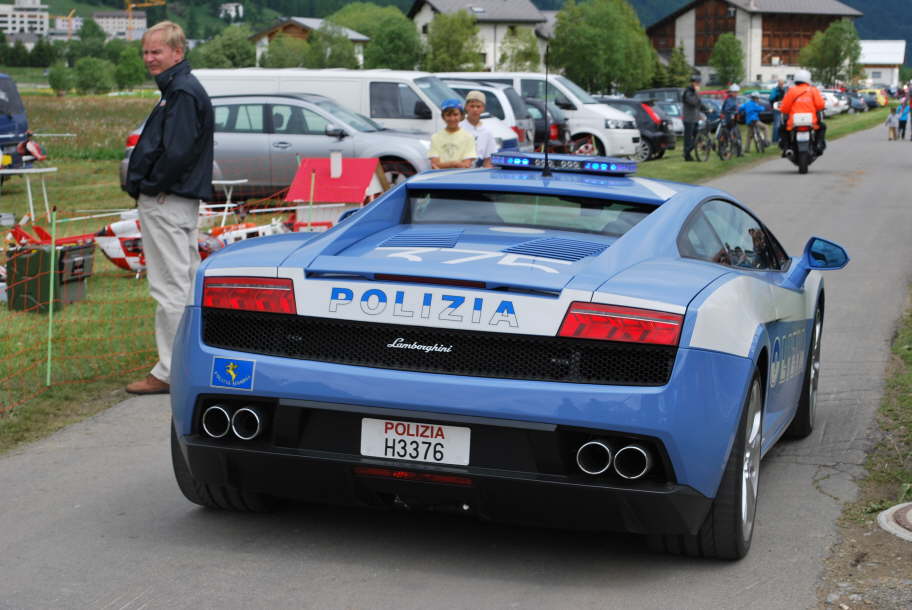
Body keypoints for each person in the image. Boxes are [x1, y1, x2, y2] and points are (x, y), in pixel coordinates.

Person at [122, 21, 214, 395]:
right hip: (175, 200)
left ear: (178, 52)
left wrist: (148, 186)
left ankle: (169, 371)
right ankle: (191, 362)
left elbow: (175, 153)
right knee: (187, 283)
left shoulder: (182, 93)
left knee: (169, 288)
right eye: (146, 52)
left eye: (156, 51)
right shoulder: (178, 90)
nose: (149, 59)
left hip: (167, 200)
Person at [779, 69, 826, 156]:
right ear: (808, 79)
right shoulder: (813, 90)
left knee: (782, 129)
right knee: (822, 127)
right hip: (811, 122)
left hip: (793, 123)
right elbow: (820, 105)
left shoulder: (791, 91)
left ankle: (786, 147)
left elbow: (784, 108)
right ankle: (819, 145)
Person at [428, 99, 476, 169]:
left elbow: (466, 165)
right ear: (443, 117)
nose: (452, 118)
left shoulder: (468, 137)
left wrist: (445, 165)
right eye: (448, 115)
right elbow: (435, 165)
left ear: (461, 116)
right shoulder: (435, 137)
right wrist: (454, 163)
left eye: (455, 115)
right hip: (441, 177)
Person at [460, 91, 497, 168]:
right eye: (472, 106)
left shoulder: (487, 131)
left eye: (478, 106)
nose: (475, 109)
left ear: (483, 108)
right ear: (466, 107)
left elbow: (489, 158)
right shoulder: (459, 128)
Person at [681, 75, 702, 161]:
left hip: (695, 119)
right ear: (692, 83)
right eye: (696, 83)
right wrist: (697, 93)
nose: (697, 85)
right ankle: (687, 155)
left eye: (698, 83)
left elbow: (699, 103)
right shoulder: (688, 92)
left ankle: (687, 152)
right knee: (688, 139)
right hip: (689, 119)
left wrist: (708, 109)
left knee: (697, 137)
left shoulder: (694, 92)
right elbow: (693, 102)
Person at [721, 84, 743, 156]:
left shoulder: (735, 99)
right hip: (728, 120)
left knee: (737, 135)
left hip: (734, 120)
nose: (736, 93)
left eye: (737, 92)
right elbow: (727, 110)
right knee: (728, 136)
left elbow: (737, 109)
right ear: (730, 92)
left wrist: (739, 110)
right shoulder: (729, 100)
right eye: (734, 92)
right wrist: (735, 110)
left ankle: (739, 151)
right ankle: (725, 150)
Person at [768, 79, 787, 143]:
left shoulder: (785, 89)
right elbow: (771, 98)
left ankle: (781, 138)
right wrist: (777, 94)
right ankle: (775, 139)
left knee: (783, 123)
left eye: (782, 84)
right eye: (780, 83)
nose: (781, 85)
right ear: (778, 84)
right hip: (776, 107)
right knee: (777, 124)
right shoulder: (775, 90)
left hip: (783, 107)